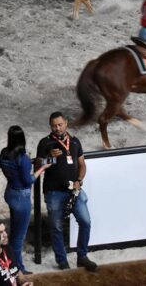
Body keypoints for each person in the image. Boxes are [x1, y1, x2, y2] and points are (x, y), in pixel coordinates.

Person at [36, 112, 98, 272]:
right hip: (53, 192)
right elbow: (37, 167)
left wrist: (79, 181)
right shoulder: (45, 143)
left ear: (66, 123)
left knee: (85, 222)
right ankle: (62, 261)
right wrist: (49, 157)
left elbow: (82, 164)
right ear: (50, 126)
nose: (57, 128)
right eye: (54, 126)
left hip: (75, 190)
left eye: (60, 124)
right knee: (56, 227)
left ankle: (82, 257)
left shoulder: (75, 142)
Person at [0, 126, 50, 276]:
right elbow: (29, 180)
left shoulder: (4, 153)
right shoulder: (24, 159)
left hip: (10, 193)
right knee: (18, 237)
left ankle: (11, 263)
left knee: (13, 232)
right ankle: (18, 268)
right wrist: (42, 168)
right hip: (22, 197)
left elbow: (2, 165)